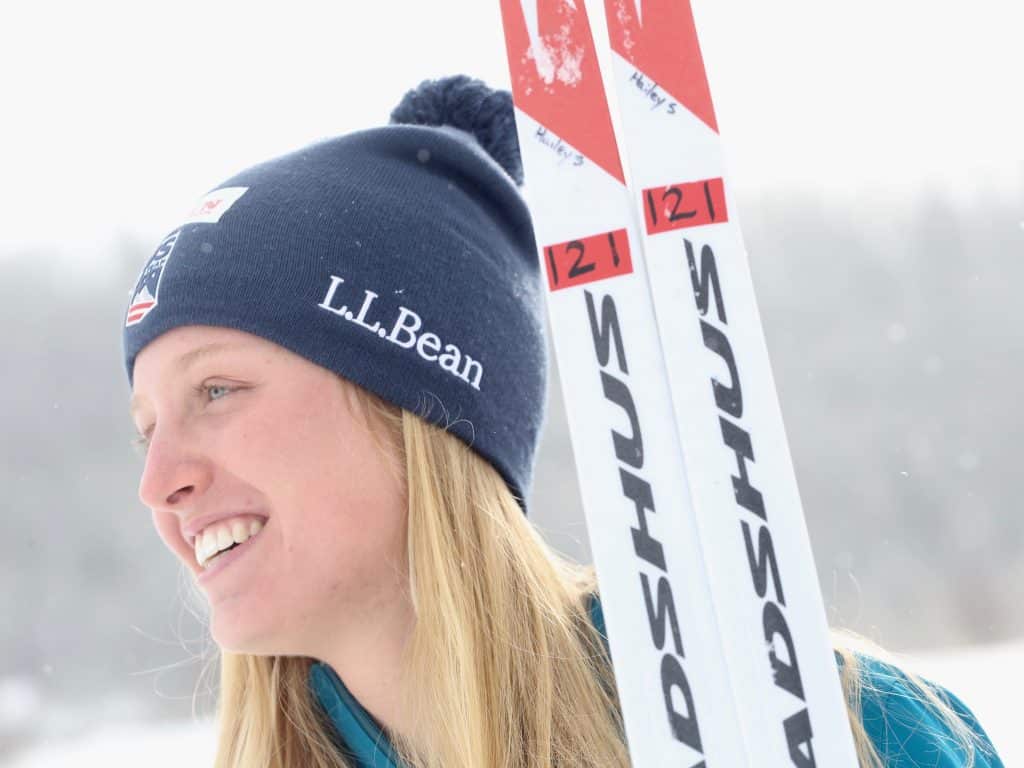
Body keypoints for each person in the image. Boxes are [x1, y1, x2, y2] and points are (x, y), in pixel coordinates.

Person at [122, 75, 1004, 768]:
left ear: (417, 411)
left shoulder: (850, 728)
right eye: (146, 429)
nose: (159, 484)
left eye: (217, 391)